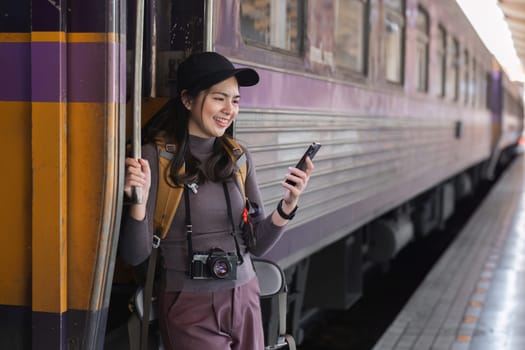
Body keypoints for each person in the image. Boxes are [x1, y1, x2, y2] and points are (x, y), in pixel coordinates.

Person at [119, 51, 314, 350]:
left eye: (235, 100)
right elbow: (135, 256)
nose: (229, 110)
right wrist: (138, 203)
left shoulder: (238, 157)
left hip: (246, 296)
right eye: (219, 98)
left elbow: (257, 245)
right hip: (188, 306)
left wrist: (288, 205)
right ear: (187, 100)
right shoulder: (155, 157)